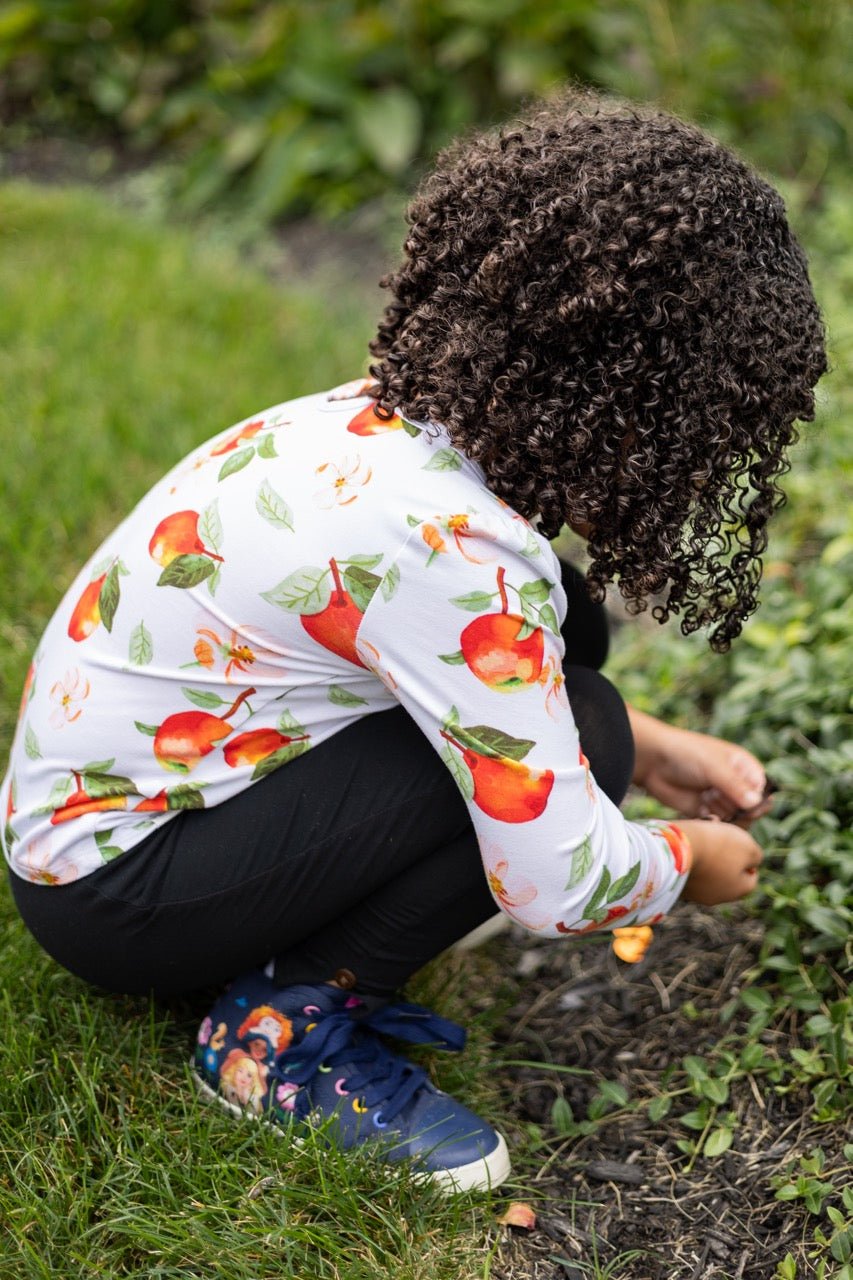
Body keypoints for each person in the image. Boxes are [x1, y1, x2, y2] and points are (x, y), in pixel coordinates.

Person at [0, 89, 826, 1193]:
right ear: (641, 402)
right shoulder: (456, 551)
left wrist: (658, 744)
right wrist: (687, 864)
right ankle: (274, 1036)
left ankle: (316, 921)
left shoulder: (389, 428)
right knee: (577, 737)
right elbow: (558, 877)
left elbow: (454, 665)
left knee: (576, 655)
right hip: (119, 894)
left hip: (104, 821)